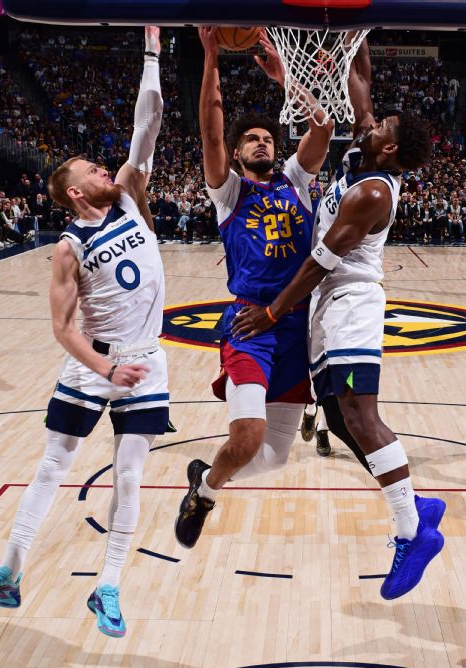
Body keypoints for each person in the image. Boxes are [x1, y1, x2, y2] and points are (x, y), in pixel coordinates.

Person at [0, 28, 168, 640]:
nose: (105, 168)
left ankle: (108, 587)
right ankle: (8, 575)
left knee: (129, 477)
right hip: (93, 364)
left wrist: (152, 53)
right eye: (93, 169)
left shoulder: (130, 200)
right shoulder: (69, 248)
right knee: (53, 465)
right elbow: (61, 328)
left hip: (147, 360)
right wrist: (104, 369)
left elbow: (148, 124)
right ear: (76, 191)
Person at [230, 40, 443, 601]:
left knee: (360, 416)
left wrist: (272, 312)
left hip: (350, 303)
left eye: (381, 125)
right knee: (338, 419)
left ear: (389, 147)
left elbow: (318, 264)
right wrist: (351, 35)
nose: (370, 122)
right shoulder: (366, 152)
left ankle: (413, 532)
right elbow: (361, 80)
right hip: (329, 307)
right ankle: (415, 504)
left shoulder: (372, 190)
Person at [173, 25, 333, 549]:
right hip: (250, 326)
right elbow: (210, 134)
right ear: (238, 155)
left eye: (267, 137)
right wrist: (211, 55)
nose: (262, 141)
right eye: (251, 139)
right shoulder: (229, 192)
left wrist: (287, 79)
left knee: (274, 457)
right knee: (247, 437)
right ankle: (205, 500)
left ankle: (203, 480)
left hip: (295, 329)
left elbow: (324, 126)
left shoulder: (296, 181)